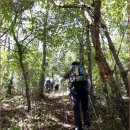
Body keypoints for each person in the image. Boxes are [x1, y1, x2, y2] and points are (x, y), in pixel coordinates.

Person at [60, 61, 91, 130]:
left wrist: (62, 80)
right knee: (85, 108)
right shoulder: (83, 71)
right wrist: (87, 90)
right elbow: (89, 82)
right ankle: (87, 126)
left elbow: (62, 79)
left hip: (74, 91)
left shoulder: (71, 71)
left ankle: (78, 127)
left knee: (76, 109)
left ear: (72, 65)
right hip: (84, 91)